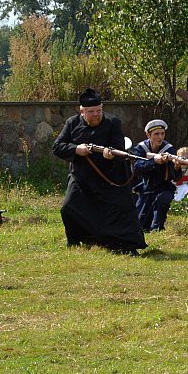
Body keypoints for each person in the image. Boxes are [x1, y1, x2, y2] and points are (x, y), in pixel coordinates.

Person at [52, 88, 147, 254]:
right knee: (68, 207)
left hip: (110, 178)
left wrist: (109, 156)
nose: (96, 114)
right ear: (82, 111)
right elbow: (57, 147)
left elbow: (119, 150)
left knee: (121, 211)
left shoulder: (113, 123)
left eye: (98, 110)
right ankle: (76, 241)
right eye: (91, 112)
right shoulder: (72, 123)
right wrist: (76, 149)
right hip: (82, 178)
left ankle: (127, 246)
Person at [130, 119, 184, 232]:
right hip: (145, 188)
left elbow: (176, 178)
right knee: (140, 224)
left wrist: (177, 167)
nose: (160, 137)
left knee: (162, 201)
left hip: (163, 187)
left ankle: (158, 228)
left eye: (162, 134)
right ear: (148, 134)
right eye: (156, 134)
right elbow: (137, 168)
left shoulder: (169, 149)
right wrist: (154, 160)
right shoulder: (140, 148)